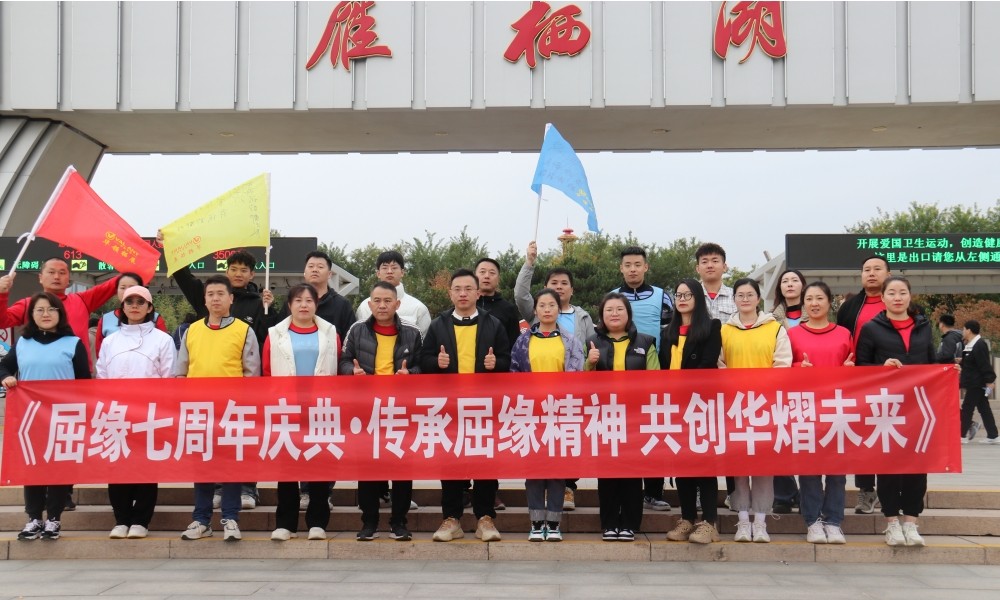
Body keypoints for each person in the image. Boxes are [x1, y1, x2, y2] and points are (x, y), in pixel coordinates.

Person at [166, 244, 269, 509]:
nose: (238, 274)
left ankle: (247, 489)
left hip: (238, 396)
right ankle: (215, 490)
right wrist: (171, 247)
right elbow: (183, 276)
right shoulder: (198, 321)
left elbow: (266, 342)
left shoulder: (259, 304)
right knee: (209, 445)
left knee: (240, 443)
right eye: (233, 269)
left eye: (243, 270)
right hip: (203, 399)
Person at [420, 268, 511, 543]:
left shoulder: (493, 324)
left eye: (468, 289)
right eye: (457, 289)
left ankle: (485, 518)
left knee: (486, 462)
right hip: (450, 409)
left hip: (484, 407)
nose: (463, 294)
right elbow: (423, 361)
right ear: (450, 293)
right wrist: (437, 362)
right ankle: (451, 518)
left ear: (477, 293)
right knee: (450, 463)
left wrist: (497, 364)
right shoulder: (438, 325)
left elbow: (507, 361)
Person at [175, 275, 261, 542]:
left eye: (220, 294)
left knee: (230, 467)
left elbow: (251, 375)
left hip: (231, 412)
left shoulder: (244, 331)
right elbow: (181, 372)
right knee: (202, 467)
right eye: (210, 294)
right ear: (204, 299)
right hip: (199, 411)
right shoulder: (192, 331)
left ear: (231, 298)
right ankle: (201, 520)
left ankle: (230, 518)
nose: (215, 299)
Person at [268, 251, 355, 510]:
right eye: (310, 266)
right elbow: (270, 360)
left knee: (321, 446)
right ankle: (294, 502)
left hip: (323, 397)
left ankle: (320, 495)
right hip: (289, 399)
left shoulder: (340, 308)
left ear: (330, 272)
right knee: (291, 446)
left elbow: (345, 349)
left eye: (320, 266)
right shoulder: (279, 329)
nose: (315, 269)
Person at [1, 293, 90, 541]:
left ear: (60, 313)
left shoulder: (73, 343)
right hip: (31, 418)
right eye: (39, 310)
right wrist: (6, 377)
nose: (46, 314)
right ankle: (33, 518)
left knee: (58, 470)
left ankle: (53, 518)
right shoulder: (23, 343)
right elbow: (3, 366)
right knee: (33, 469)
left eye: (51, 309)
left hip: (64, 418)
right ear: (32, 315)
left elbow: (84, 382)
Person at [514, 240, 595, 510]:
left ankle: (567, 488)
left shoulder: (583, 317)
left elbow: (591, 348)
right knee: (538, 446)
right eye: (553, 283)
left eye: (564, 283)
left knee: (566, 444)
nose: (559, 287)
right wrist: (529, 263)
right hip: (535, 400)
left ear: (572, 289)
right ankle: (539, 505)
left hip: (567, 397)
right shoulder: (534, 325)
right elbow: (520, 294)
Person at [340, 281, 423, 542]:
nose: (382, 305)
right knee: (367, 468)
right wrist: (351, 371)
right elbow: (343, 361)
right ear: (369, 303)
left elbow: (423, 367)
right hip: (367, 410)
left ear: (397, 304)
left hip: (400, 410)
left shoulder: (412, 333)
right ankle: (369, 522)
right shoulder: (356, 330)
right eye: (377, 300)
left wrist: (411, 374)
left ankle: (399, 522)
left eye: (388, 301)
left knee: (402, 469)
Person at [855, 275, 934, 547]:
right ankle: (891, 523)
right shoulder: (871, 328)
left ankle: (911, 522)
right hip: (887, 407)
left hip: (918, 406)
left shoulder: (923, 326)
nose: (897, 298)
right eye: (892, 293)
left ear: (910, 296)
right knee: (888, 466)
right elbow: (861, 366)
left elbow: (932, 362)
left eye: (902, 292)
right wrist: (882, 368)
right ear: (883, 297)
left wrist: (949, 371)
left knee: (918, 466)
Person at [95, 286, 176, 540]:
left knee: (145, 467)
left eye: (141, 302)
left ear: (150, 308)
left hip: (149, 414)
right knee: (117, 467)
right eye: (129, 301)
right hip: (117, 413)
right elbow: (102, 376)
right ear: (122, 307)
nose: (134, 306)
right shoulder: (110, 341)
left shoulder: (162, 340)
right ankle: (121, 519)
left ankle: (141, 520)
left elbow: (169, 377)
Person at [261, 283, 338, 542]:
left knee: (319, 467)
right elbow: (267, 371)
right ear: (289, 305)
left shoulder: (329, 332)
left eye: (309, 300)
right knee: (287, 469)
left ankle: (317, 522)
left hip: (320, 408)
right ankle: (286, 524)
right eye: (298, 300)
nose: (303, 305)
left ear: (316, 304)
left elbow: (337, 367)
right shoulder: (275, 334)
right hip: (286, 408)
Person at [719, 278, 792, 543]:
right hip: (735, 407)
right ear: (734, 300)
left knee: (763, 467)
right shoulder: (724, 330)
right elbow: (719, 365)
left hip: (765, 407)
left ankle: (760, 522)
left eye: (750, 294)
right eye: (740, 295)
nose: (745, 299)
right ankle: (742, 521)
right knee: (738, 466)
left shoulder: (774, 328)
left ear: (758, 298)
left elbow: (783, 364)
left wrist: (762, 389)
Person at [510, 288, 585, 542]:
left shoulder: (570, 341)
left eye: (551, 305)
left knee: (556, 470)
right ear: (535, 310)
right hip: (531, 414)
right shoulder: (523, 341)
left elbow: (576, 375)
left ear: (558, 309)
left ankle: (553, 523)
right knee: (533, 471)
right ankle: (535, 522)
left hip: (559, 414)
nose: (547, 309)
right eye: (542, 305)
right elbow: (514, 375)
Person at [586, 292, 659, 542]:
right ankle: (609, 523)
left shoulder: (646, 342)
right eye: (609, 310)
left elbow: (655, 379)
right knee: (607, 473)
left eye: (619, 309)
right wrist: (590, 364)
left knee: (631, 472)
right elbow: (581, 384)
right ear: (601, 315)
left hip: (634, 417)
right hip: (604, 416)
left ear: (628, 314)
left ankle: (629, 523)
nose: (614, 314)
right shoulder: (591, 342)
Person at [787, 281, 854, 545]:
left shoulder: (843, 333)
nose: (814, 304)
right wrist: (797, 367)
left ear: (829, 302)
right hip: (805, 408)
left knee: (837, 470)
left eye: (819, 298)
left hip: (837, 408)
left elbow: (856, 366)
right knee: (809, 469)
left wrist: (851, 370)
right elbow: (781, 367)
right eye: (809, 299)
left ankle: (834, 521)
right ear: (803, 303)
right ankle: (813, 521)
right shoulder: (793, 334)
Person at [611, 246, 674, 512]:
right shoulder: (612, 297)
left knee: (654, 433)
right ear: (621, 268)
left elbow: (670, 334)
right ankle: (623, 492)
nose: (633, 269)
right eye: (628, 265)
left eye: (638, 264)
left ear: (646, 267)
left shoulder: (662, 297)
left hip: (653, 374)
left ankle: (653, 492)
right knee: (623, 435)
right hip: (620, 378)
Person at [661, 279, 722, 544]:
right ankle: (686, 518)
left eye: (687, 295)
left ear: (697, 297)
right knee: (682, 464)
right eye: (678, 295)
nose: (682, 299)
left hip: (700, 405)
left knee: (704, 465)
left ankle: (709, 522)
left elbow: (708, 364)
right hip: (674, 408)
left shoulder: (712, 327)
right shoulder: (667, 332)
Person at [836, 255, 891, 515]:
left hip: (893, 381)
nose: (871, 273)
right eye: (867, 269)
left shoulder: (899, 302)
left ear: (888, 273)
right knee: (863, 437)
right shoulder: (850, 307)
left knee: (890, 436)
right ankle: (866, 490)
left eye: (877, 269)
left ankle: (891, 491)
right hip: (857, 381)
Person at [0, 258, 123, 364]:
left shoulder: (82, 300)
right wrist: (1, 294)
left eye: (62, 273)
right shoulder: (28, 304)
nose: (56, 277)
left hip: (77, 373)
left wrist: (133, 263)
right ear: (40, 277)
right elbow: (2, 321)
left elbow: (115, 283)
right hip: (37, 372)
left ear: (68, 278)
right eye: (51, 272)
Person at [694, 242, 736, 509]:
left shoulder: (737, 296)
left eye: (715, 260)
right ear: (697, 267)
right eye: (705, 261)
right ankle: (700, 491)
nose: (710, 265)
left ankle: (734, 492)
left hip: (728, 375)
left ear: (725, 266)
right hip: (697, 377)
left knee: (730, 435)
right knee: (700, 434)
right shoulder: (689, 295)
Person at [768, 269, 807, 514]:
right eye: (785, 281)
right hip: (780, 387)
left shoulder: (817, 313)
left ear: (803, 285)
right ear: (779, 288)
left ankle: (807, 494)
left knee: (805, 440)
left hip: (809, 387)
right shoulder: (769, 320)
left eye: (794, 280)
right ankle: (784, 494)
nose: (790, 284)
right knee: (780, 439)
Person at [356, 250, 432, 338]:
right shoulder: (364, 307)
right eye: (385, 268)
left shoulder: (418, 308)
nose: (389, 271)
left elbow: (424, 342)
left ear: (402, 272)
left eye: (394, 268)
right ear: (378, 273)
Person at [94, 272, 168, 358]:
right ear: (116, 291)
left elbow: (164, 352)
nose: (127, 291)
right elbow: (100, 354)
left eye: (132, 287)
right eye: (122, 287)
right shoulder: (106, 319)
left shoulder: (156, 318)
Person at [959, 320, 998, 444]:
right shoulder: (970, 344)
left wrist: (990, 380)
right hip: (973, 382)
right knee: (984, 408)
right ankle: (993, 435)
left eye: (964, 329)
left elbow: (984, 364)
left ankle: (962, 435)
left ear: (969, 330)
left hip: (976, 383)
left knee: (967, 408)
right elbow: (969, 363)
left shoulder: (979, 344)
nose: (963, 331)